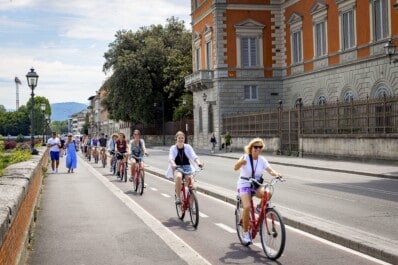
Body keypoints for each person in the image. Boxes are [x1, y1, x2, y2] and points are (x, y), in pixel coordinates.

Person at [233, 138, 282, 245]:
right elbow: (235, 168)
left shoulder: (262, 160)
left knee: (268, 193)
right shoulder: (245, 157)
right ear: (251, 148)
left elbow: (270, 170)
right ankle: (246, 234)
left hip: (256, 184)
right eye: (256, 147)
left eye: (260, 147)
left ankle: (259, 207)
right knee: (246, 207)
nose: (258, 149)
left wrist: (277, 174)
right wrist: (241, 162)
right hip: (244, 184)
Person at [166, 131, 203, 205]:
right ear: (176, 139)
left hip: (187, 168)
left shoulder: (188, 147)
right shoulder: (173, 148)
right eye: (179, 138)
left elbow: (194, 156)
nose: (181, 139)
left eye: (182, 138)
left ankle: (191, 205)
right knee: (179, 177)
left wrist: (199, 163)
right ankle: (178, 197)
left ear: (184, 139)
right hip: (177, 168)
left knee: (194, 187)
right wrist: (173, 164)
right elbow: (171, 158)